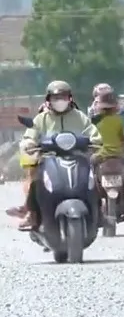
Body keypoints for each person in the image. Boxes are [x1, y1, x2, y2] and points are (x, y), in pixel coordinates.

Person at [16, 81, 102, 230]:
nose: (59, 101)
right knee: (35, 180)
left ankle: (99, 213)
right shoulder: (41, 118)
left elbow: (92, 131)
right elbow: (31, 134)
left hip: (78, 157)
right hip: (49, 158)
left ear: (70, 98)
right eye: (55, 97)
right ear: (48, 99)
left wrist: (96, 140)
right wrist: (29, 143)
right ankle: (32, 214)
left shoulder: (79, 116)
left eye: (63, 97)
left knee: (93, 179)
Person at [89, 84, 124, 215]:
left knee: (87, 172)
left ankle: (88, 198)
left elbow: (88, 136)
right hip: (118, 154)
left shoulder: (94, 121)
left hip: (99, 155)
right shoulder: (119, 120)